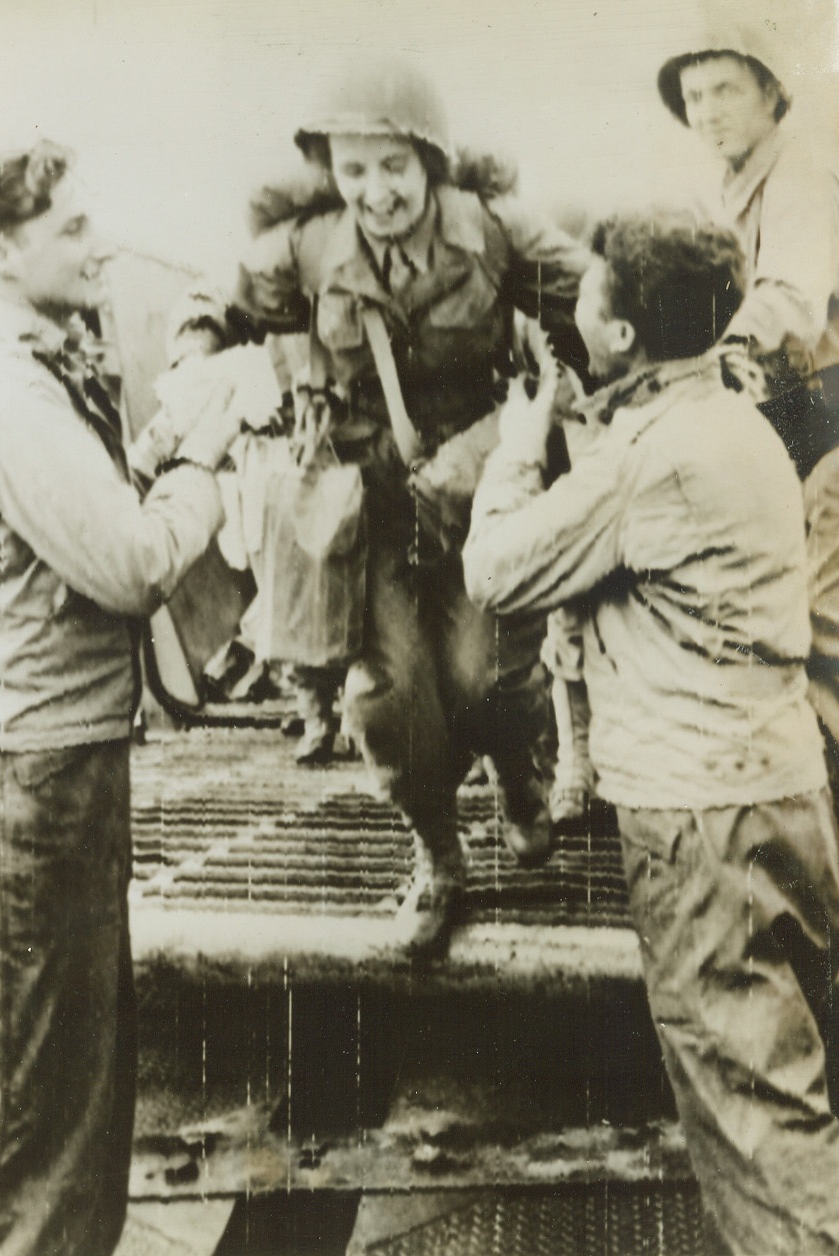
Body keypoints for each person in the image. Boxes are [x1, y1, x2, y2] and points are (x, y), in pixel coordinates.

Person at [463, 211, 839, 1253]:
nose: (574, 309)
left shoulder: (650, 457)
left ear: (622, 332)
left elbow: (494, 572)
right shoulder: (734, 420)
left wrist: (517, 450)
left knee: (759, 1123)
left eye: (588, 295)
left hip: (697, 824)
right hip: (783, 790)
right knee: (797, 1083)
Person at [169, 57, 590, 956]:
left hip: (479, 494)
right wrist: (195, 348)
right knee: (388, 698)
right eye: (353, 169)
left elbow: (590, 305)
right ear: (330, 173)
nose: (377, 191)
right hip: (371, 508)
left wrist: (519, 429)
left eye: (394, 166)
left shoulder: (492, 232)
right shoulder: (311, 247)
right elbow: (222, 296)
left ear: (430, 162)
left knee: (487, 677)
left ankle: (519, 774)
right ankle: (438, 857)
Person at [0, 140, 241, 1256]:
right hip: (22, 789)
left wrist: (158, 450)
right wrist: (201, 463)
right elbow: (131, 563)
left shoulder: (7, 368)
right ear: (0, 253)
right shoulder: (5, 389)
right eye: (72, 230)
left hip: (32, 773)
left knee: (55, 1120)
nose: (101, 247)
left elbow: (68, 522)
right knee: (15, 1128)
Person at [657, 18, 839, 771]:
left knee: (819, 602)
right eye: (694, 96)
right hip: (781, 401)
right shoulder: (720, 185)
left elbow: (792, 292)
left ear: (770, 91)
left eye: (726, 90)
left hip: (824, 398)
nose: (708, 111)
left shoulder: (800, 170)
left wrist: (726, 353)